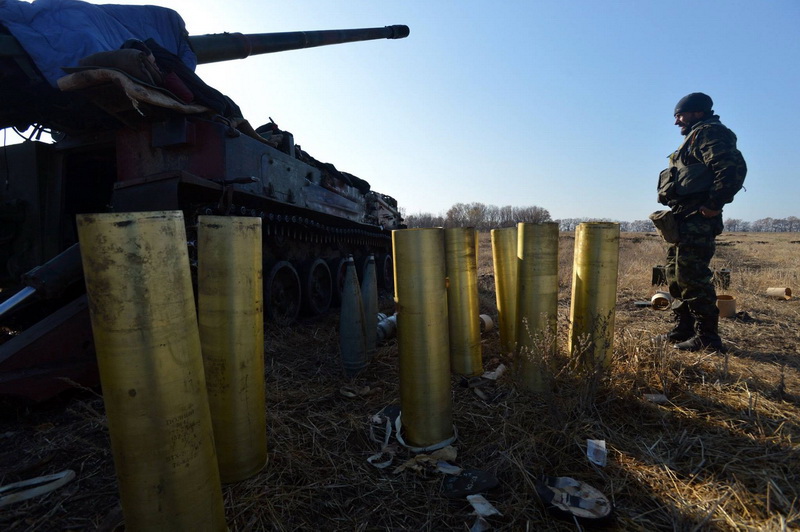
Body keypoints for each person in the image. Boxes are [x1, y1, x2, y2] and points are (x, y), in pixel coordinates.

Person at [655, 92, 747, 351]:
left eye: (680, 115)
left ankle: (708, 337)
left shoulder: (709, 133)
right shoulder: (693, 137)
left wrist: (714, 204)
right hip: (682, 217)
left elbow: (731, 169)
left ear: (697, 112)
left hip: (698, 217)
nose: (676, 122)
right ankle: (683, 329)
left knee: (692, 277)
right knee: (675, 275)